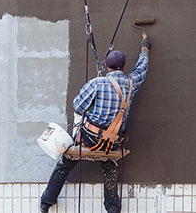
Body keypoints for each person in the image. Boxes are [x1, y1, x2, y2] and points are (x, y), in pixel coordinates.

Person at [40, 36, 152, 213]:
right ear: (123, 67)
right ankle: (113, 209)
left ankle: (46, 203)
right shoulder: (131, 83)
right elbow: (141, 69)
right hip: (113, 142)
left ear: (106, 67)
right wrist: (145, 50)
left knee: (66, 163)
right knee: (109, 168)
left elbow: (78, 106)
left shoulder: (97, 83)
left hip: (89, 138)